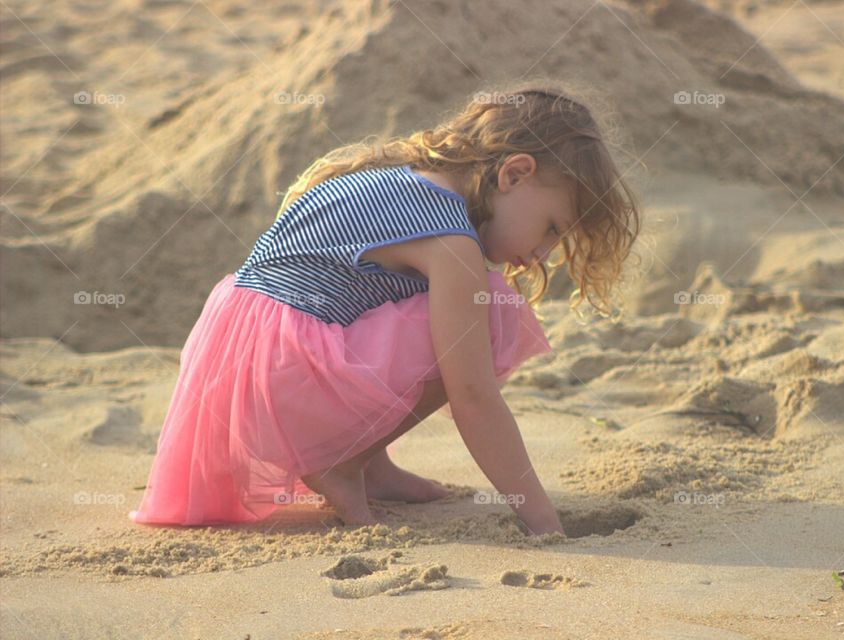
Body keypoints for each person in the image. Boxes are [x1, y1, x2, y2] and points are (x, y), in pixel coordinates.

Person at [128, 82, 642, 536]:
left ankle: (371, 465)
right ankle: (342, 461)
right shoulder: (449, 240)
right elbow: (474, 396)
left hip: (236, 371)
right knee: (493, 313)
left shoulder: (397, 178)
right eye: (553, 228)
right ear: (515, 174)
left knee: (446, 302)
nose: (543, 254)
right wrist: (544, 522)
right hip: (280, 376)